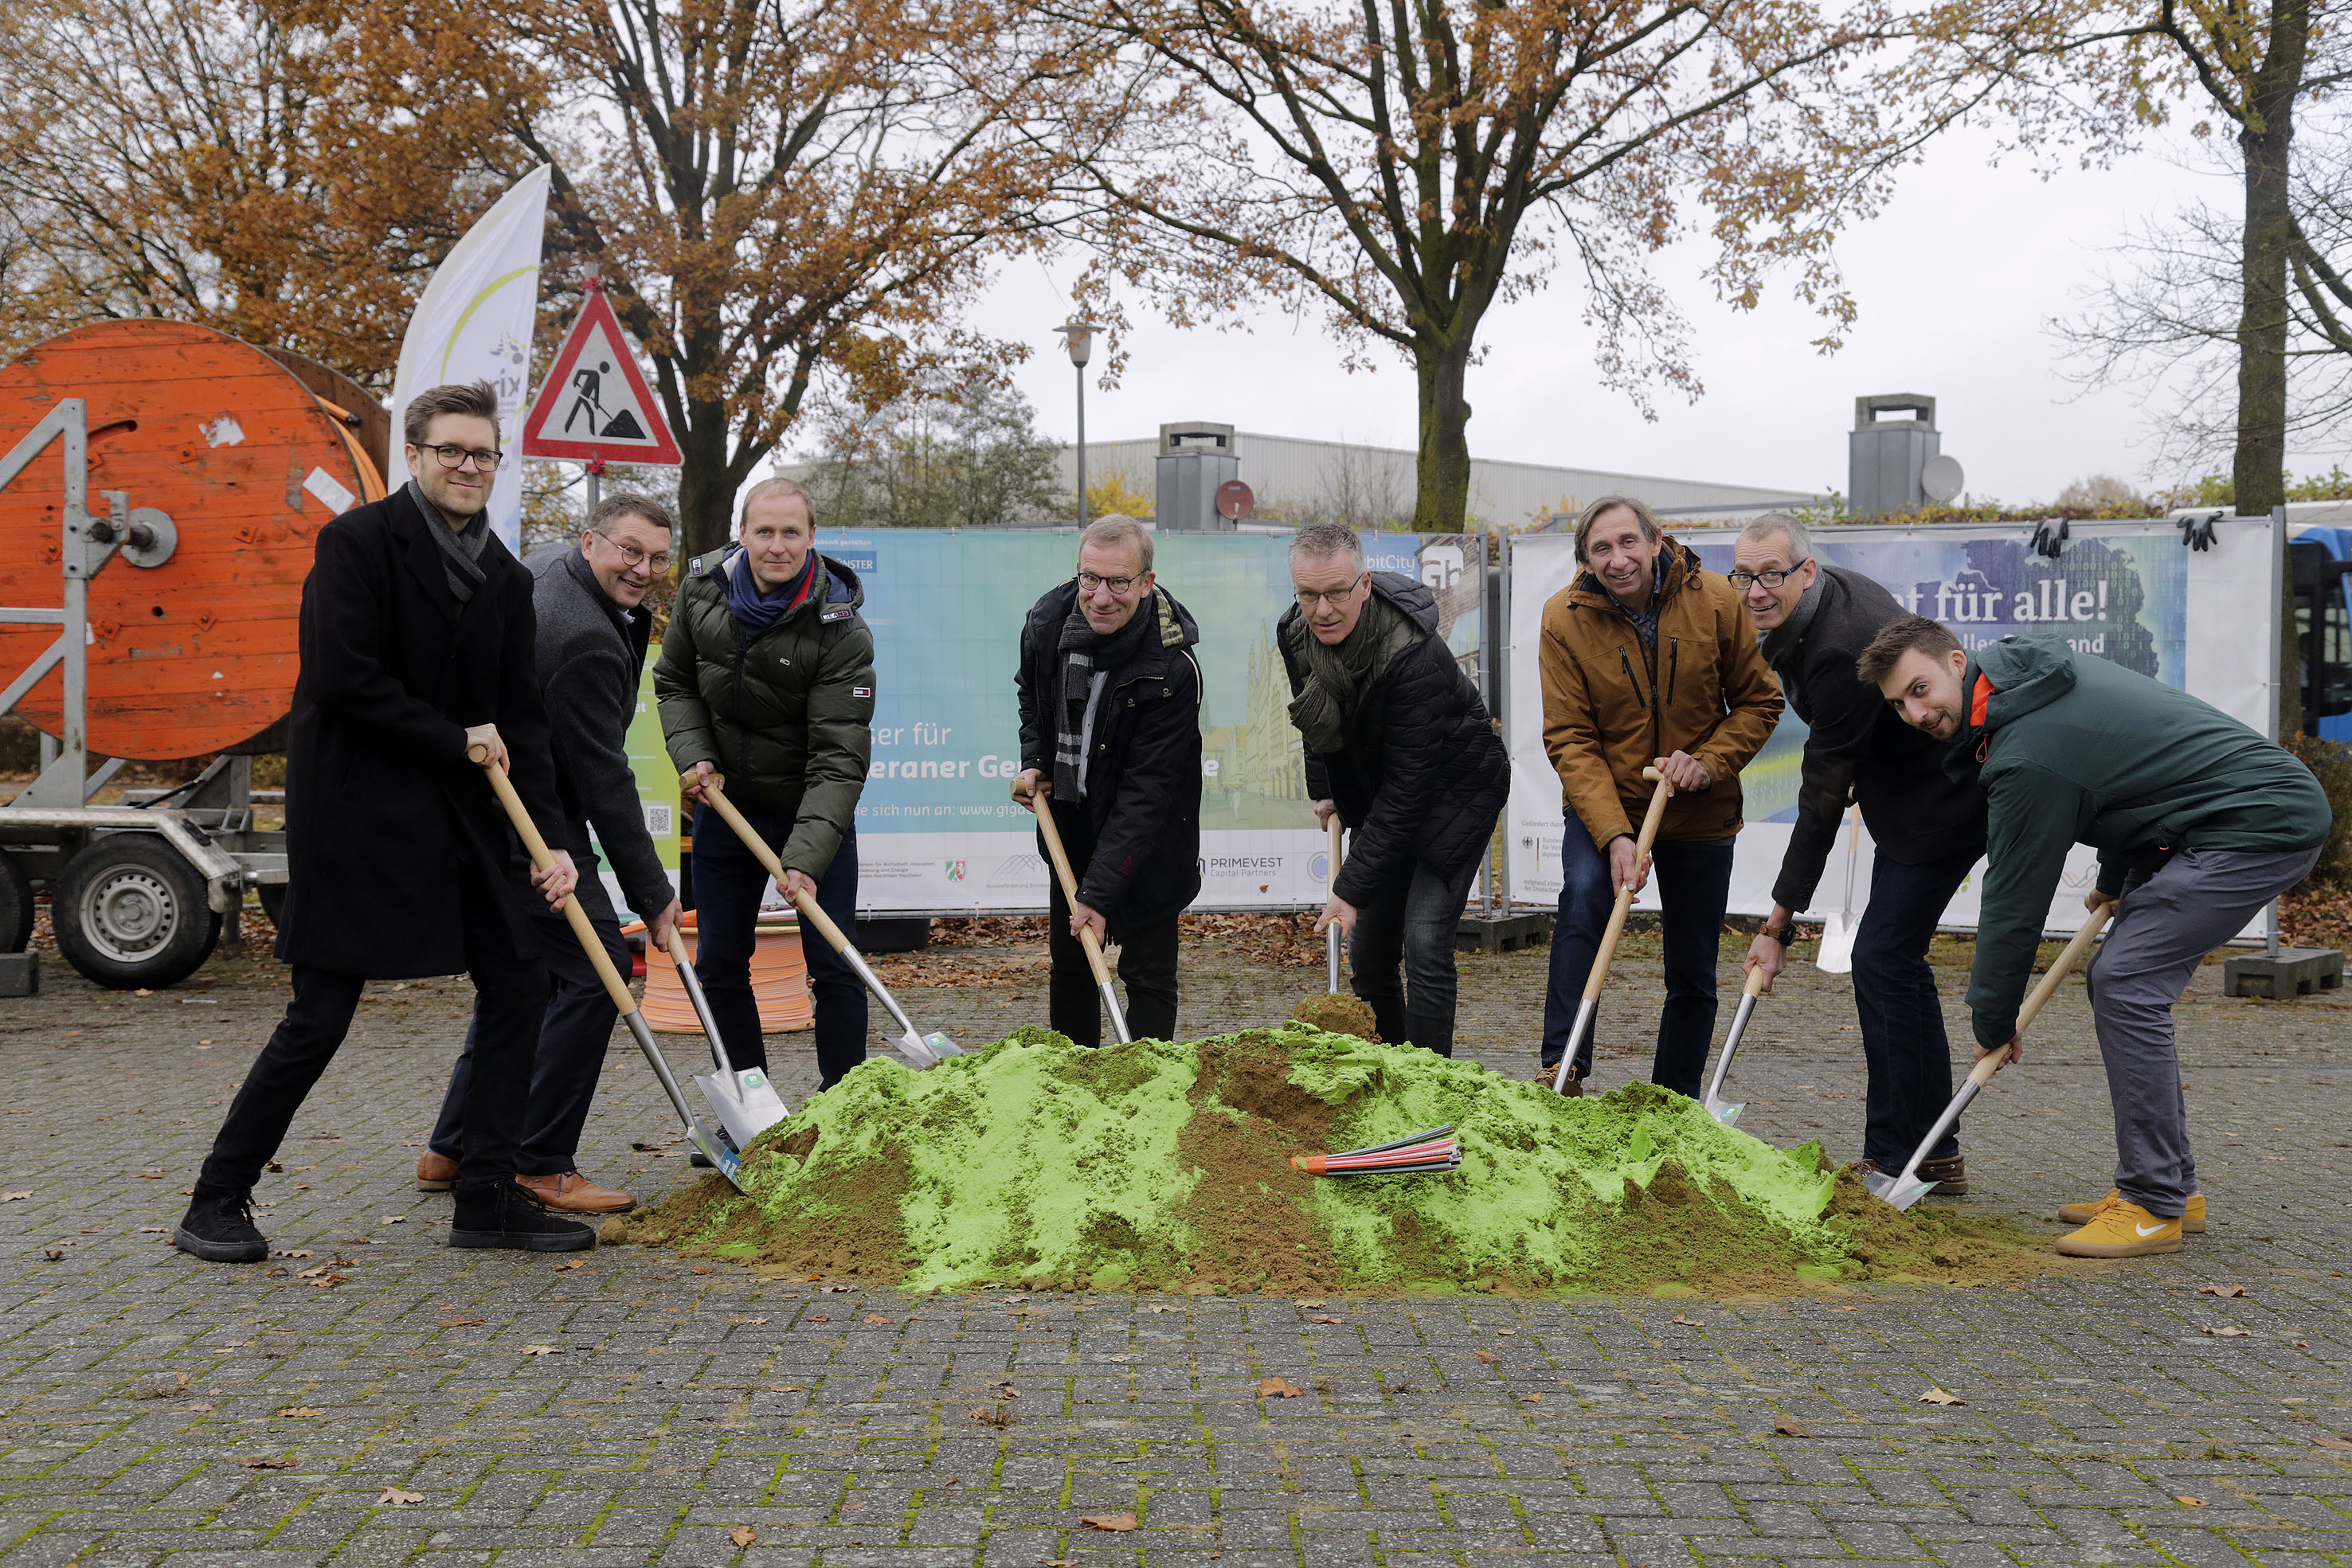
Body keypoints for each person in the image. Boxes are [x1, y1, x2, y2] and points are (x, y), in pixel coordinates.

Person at [174, 381, 591, 1263]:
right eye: (451, 450)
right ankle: (215, 1198)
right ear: (414, 455)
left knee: (521, 982)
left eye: (482, 453)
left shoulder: (507, 577)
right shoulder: (356, 543)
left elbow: (520, 721)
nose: (468, 465)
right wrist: (453, 738)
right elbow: (341, 679)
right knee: (320, 1014)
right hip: (357, 817)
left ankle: (486, 1197)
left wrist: (549, 838)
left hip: (461, 823)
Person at [1863, 616, 2331, 1256]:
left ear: (1955, 661)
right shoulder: (2024, 680)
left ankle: (2153, 1203)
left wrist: (1993, 1018)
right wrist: (2114, 876)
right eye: (1898, 703)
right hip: (2203, 820)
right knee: (2120, 980)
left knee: (2125, 981)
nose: (1914, 713)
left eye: (1919, 689)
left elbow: (2014, 899)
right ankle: (2172, 1187)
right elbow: (2125, 769)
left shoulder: (2025, 749)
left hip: (2255, 826)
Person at [417, 494, 686, 1214]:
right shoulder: (584, 638)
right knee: (595, 975)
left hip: (495, 806)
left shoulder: (547, 568)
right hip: (533, 826)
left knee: (521, 976)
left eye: (658, 558)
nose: (643, 569)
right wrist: (654, 893)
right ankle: (537, 1159)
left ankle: (454, 1146)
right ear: (590, 540)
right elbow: (604, 778)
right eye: (630, 550)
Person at [1732, 516, 1986, 1191]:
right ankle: (1930, 1151)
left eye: (1771, 575)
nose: (1755, 591)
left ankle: (1898, 1154)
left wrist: (1776, 926)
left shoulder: (1838, 649)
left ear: (1807, 571)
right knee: (1891, 959)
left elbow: (1819, 797)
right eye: (1743, 575)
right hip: (1909, 793)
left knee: (1883, 958)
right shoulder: (1817, 602)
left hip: (1940, 800)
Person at [1536, 495, 1782, 1094]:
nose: (1618, 559)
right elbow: (1569, 735)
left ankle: (1671, 1097)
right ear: (1585, 560)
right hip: (1611, 802)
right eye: (1601, 548)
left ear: (1654, 541)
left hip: (1698, 809)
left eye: (1628, 542)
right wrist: (1613, 834)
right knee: (1584, 900)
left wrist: (1708, 762)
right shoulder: (1563, 618)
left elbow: (1759, 701)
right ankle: (1563, 1067)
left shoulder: (1716, 599)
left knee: (1692, 963)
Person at [657, 477, 873, 1095]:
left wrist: (805, 858)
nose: (777, 545)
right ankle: (750, 1104)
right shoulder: (702, 592)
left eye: (791, 532)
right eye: (764, 531)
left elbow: (838, 757)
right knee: (720, 964)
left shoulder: (840, 629)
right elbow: (675, 682)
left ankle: (844, 1103)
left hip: (812, 811)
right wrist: (695, 755)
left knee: (833, 962)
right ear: (743, 533)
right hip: (727, 808)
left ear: (812, 537)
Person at [1278, 523, 1509, 1058]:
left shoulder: (1414, 656)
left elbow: (1409, 793)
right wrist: (1325, 788)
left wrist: (1349, 890)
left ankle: (1427, 1080)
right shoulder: (1296, 633)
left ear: (1364, 585)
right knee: (1369, 953)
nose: (1322, 610)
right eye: (1308, 595)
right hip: (1390, 792)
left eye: (1337, 593)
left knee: (1424, 941)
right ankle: (1386, 1066)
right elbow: (1313, 714)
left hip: (1456, 794)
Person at [1011, 516, 1203, 1044]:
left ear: (1146, 582)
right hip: (1071, 825)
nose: (1100, 596)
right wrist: (1036, 758)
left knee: (1147, 974)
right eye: (1090, 578)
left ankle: (1148, 1080)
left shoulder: (1172, 668)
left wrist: (1097, 895)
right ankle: (1074, 1080)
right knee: (1072, 967)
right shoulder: (1047, 626)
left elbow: (1147, 792)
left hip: (1149, 841)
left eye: (1118, 581)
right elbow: (1031, 695)